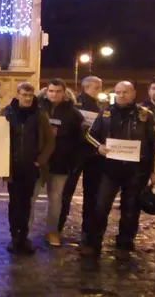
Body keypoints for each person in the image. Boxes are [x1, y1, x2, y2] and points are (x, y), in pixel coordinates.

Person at [81, 81, 155, 257]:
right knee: (101, 206)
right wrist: (98, 147)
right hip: (110, 168)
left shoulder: (146, 115)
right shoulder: (106, 113)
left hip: (136, 169)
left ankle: (125, 244)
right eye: (118, 92)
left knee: (130, 208)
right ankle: (94, 243)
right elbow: (89, 134)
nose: (122, 95)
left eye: (126, 92)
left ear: (133, 93)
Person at [1, 82, 55, 255]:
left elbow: (50, 140)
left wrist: (41, 160)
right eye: (24, 95)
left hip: (31, 167)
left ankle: (23, 236)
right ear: (17, 95)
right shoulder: (7, 113)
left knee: (26, 203)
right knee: (14, 202)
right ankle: (14, 236)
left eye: (30, 95)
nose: (27, 98)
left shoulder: (39, 114)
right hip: (13, 166)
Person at [37, 78, 83, 247]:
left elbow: (79, 140)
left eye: (58, 91)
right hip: (38, 161)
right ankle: (24, 232)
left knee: (56, 200)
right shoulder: (37, 108)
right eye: (51, 91)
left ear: (64, 93)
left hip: (60, 162)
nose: (54, 94)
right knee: (31, 197)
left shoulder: (73, 113)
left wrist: (73, 161)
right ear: (46, 92)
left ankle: (52, 231)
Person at [58, 76, 104, 242]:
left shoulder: (101, 106)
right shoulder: (75, 104)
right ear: (87, 87)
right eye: (97, 87)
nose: (99, 90)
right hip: (78, 153)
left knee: (90, 193)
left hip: (92, 155)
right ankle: (59, 226)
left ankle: (87, 228)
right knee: (67, 192)